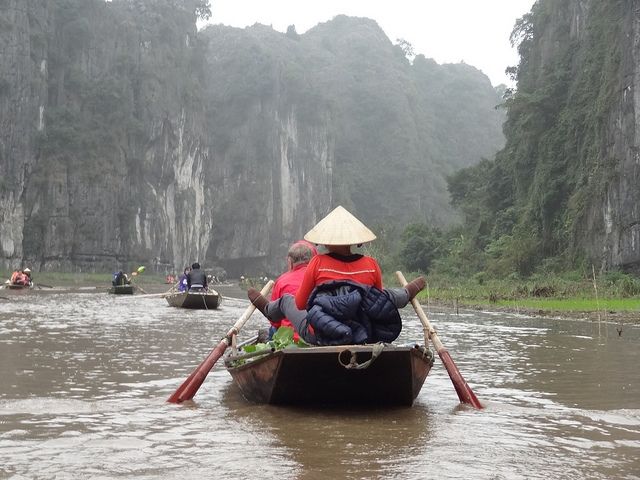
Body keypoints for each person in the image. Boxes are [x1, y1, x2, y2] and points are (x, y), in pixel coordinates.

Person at [248, 206, 425, 345]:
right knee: (386, 295)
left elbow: (301, 304)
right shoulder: (371, 265)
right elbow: (377, 303)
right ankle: (407, 293)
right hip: (363, 333)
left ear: (325, 239)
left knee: (287, 300)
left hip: (321, 334)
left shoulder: (317, 263)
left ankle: (269, 311)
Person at [266, 240, 318, 340]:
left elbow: (274, 321)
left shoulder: (281, 281)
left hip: (289, 338)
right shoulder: (319, 277)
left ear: (290, 261)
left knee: (272, 329)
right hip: (317, 335)